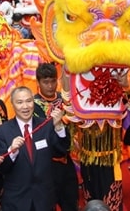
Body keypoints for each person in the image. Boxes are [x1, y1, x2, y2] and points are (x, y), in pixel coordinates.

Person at [0, 86, 70, 211]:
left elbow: (61, 151)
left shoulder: (45, 125)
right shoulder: (3, 131)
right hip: (16, 200)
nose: (25, 106)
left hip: (44, 199)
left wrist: (58, 127)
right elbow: (2, 168)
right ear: (12, 104)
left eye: (29, 101)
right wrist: (11, 151)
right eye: (20, 102)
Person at [33, 62, 78, 211]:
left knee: (71, 202)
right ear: (38, 82)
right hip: (46, 162)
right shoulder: (33, 105)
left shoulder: (64, 100)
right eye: (45, 82)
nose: (50, 86)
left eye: (53, 81)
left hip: (67, 159)